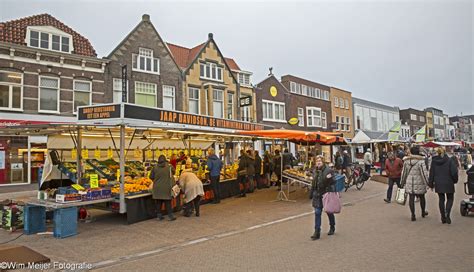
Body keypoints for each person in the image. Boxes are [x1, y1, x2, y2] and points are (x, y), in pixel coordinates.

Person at [428, 147, 459, 224]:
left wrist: (431, 183)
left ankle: (443, 216)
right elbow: (454, 172)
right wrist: (455, 180)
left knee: (441, 199)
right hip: (449, 182)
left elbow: (431, 173)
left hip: (438, 182)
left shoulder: (434, 161)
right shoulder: (450, 160)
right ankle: (447, 213)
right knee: (450, 198)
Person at [310, 155, 336, 240]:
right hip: (317, 195)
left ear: (323, 162)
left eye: (320, 161)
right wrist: (311, 193)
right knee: (317, 212)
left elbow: (334, 181)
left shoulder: (328, 170)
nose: (318, 162)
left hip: (326, 194)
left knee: (329, 211)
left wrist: (330, 178)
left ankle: (332, 226)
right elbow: (314, 183)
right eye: (317, 161)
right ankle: (317, 232)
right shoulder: (315, 171)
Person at [400, 146, 429, 222]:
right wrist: (428, 183)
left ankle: (413, 214)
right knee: (422, 197)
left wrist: (402, 183)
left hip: (410, 182)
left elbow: (404, 173)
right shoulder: (421, 161)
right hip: (419, 182)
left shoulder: (406, 161)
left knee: (411, 198)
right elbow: (424, 173)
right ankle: (423, 212)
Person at [150, 155, 176, 221]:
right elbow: (174, 172)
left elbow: (151, 177)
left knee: (158, 202)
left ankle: (159, 216)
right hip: (167, 187)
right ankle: (170, 216)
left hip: (157, 187)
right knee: (168, 202)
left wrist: (156, 180)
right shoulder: (169, 166)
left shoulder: (154, 167)